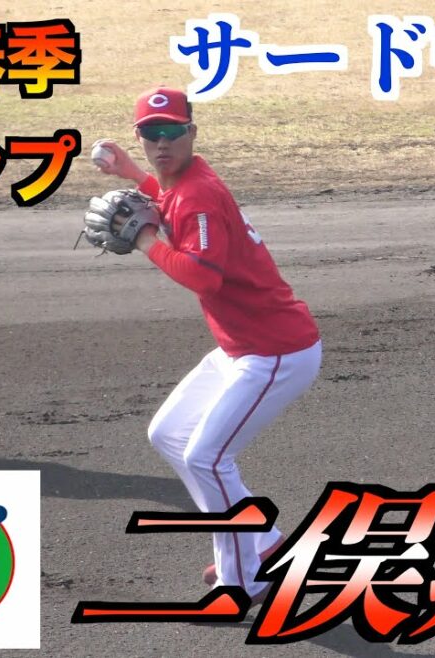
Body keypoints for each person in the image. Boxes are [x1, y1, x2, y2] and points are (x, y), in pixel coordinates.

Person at [93, 87, 322, 602]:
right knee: (169, 433)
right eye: (152, 133)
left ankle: (244, 579)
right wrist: (131, 173)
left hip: (276, 351)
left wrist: (146, 240)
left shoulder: (197, 193)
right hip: (243, 347)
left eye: (172, 131)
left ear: (192, 132)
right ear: (140, 137)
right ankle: (262, 542)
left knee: (207, 459)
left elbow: (202, 277)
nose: (162, 142)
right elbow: (169, 200)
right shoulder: (185, 182)